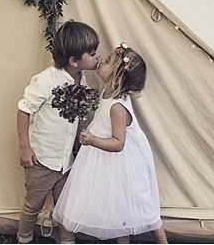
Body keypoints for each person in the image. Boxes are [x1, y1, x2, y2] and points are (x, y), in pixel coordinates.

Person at [53, 44, 168, 244]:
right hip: (104, 159)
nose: (100, 61)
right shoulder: (107, 90)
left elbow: (118, 143)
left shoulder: (117, 107)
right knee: (116, 205)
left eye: (106, 62)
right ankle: (121, 239)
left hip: (121, 159)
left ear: (117, 76)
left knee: (140, 205)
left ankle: (162, 242)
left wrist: (92, 139)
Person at [17, 21, 100, 245]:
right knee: (32, 204)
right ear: (74, 60)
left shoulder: (82, 77)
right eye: (92, 54)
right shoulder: (45, 80)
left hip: (67, 161)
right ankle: (24, 238)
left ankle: (66, 240)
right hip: (42, 160)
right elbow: (24, 109)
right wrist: (25, 147)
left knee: (66, 206)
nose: (97, 58)